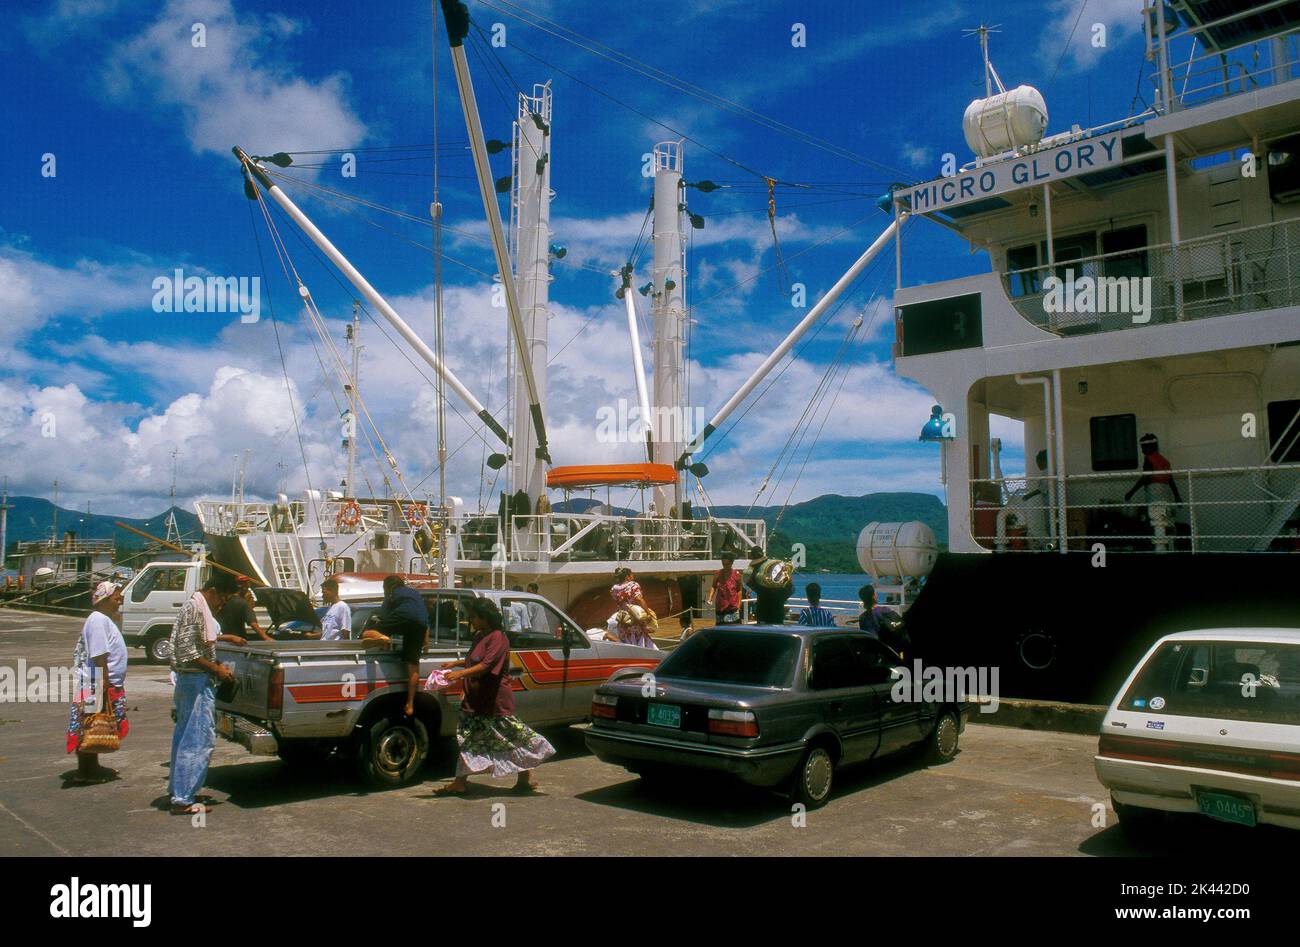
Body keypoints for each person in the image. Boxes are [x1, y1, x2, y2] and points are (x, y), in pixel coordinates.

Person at [435, 597, 555, 795]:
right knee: (469, 738)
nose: (470, 620)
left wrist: (459, 674)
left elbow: (486, 665)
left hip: (494, 700)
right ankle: (460, 781)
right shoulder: (480, 635)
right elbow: (473, 660)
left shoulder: (498, 637)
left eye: (473, 616)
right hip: (477, 699)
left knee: (511, 736)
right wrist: (455, 664)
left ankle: (524, 776)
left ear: (485, 618)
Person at [168, 572, 240, 815]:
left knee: (186, 737)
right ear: (213, 591)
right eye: (223, 598)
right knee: (198, 739)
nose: (222, 604)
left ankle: (180, 791)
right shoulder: (196, 609)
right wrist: (217, 669)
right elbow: (189, 652)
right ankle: (184, 798)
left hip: (191, 681)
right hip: (195, 681)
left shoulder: (196, 607)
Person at [66, 581, 129, 785]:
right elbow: (100, 654)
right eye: (116, 596)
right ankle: (85, 771)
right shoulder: (98, 620)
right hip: (95, 684)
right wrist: (105, 683)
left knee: (96, 725)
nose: (120, 599)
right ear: (104, 599)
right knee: (90, 725)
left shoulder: (104, 619)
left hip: (97, 682)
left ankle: (92, 766)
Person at [371, 575, 429, 717]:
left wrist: (384, 638)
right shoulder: (415, 593)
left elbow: (385, 617)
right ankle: (410, 704)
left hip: (405, 617)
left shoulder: (391, 593)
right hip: (419, 625)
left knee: (371, 631)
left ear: (387, 587)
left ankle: (383, 641)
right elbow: (425, 623)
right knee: (413, 666)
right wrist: (425, 643)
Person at [1124, 433, 1182, 552]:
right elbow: (1171, 480)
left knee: (1155, 521)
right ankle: (1171, 548)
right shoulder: (1164, 461)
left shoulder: (1149, 459)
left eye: (1143, 447)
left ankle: (1158, 549)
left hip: (1155, 492)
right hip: (1166, 493)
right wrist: (1177, 496)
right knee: (1167, 521)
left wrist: (1132, 491)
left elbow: (1146, 477)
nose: (1142, 451)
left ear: (1149, 446)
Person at [609, 567, 659, 649]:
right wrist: (648, 613)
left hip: (623, 619)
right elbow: (639, 599)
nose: (633, 576)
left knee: (626, 638)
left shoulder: (614, 589)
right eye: (631, 574)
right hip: (634, 618)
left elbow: (617, 601)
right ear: (627, 577)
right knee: (639, 639)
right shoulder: (633, 585)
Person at [744, 546, 792, 625]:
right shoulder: (780, 590)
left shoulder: (760, 587)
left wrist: (755, 567)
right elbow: (790, 589)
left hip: (763, 615)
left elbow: (750, 581)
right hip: (778, 614)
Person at [218, 577, 271, 642]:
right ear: (243, 587)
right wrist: (266, 638)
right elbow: (253, 624)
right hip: (238, 642)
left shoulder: (222, 601)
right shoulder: (242, 603)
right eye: (247, 587)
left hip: (222, 640)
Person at [708, 553, 744, 626]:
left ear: (731, 563)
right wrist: (710, 598)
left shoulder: (736, 574)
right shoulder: (718, 573)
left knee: (734, 627)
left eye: (727, 564)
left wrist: (739, 604)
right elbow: (713, 586)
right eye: (723, 564)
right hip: (720, 605)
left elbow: (739, 590)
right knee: (720, 627)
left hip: (733, 605)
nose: (725, 566)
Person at [319, 577, 351, 641]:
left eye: (324, 592)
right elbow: (329, 631)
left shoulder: (342, 607)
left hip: (334, 647)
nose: (323, 595)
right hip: (325, 646)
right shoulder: (331, 608)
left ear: (332, 591)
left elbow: (346, 631)